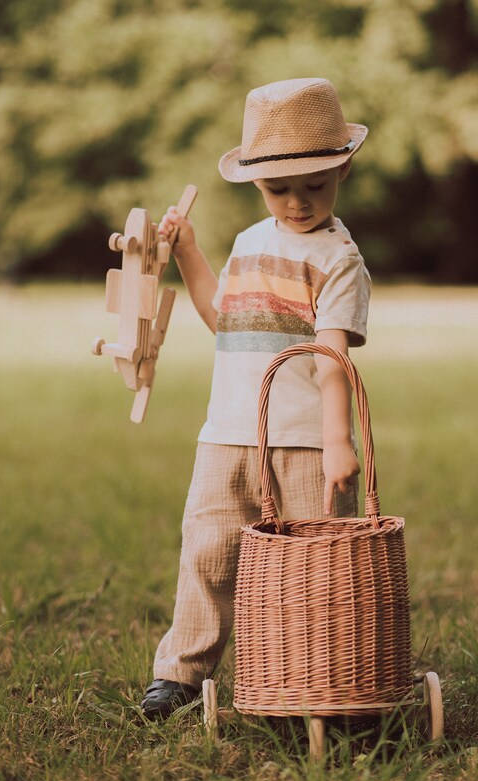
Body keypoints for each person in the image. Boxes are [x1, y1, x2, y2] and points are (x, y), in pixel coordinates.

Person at [141, 77, 372, 718]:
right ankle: (182, 673)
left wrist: (338, 441)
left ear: (343, 170)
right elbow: (224, 317)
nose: (296, 202)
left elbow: (331, 358)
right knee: (208, 549)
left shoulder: (339, 260)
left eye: (314, 186)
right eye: (278, 188)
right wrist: (188, 253)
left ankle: (318, 674)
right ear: (254, 183)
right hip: (227, 434)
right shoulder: (248, 242)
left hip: (302, 441)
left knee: (314, 563)